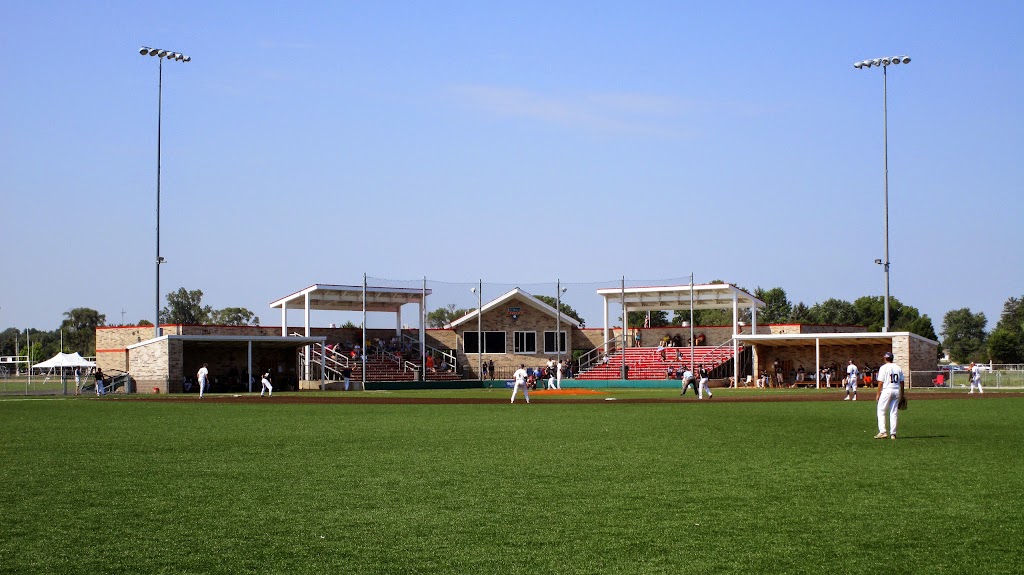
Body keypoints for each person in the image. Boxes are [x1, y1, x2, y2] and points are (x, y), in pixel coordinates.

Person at [875, 351, 905, 439]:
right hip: (896, 390)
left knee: (881, 411)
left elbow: (880, 382)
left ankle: (883, 431)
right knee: (893, 412)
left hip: (887, 390)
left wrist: (878, 394)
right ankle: (893, 434)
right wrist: (902, 394)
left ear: (885, 358)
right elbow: (902, 382)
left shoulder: (883, 367)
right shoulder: (898, 367)